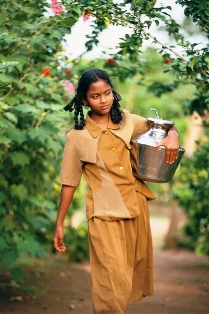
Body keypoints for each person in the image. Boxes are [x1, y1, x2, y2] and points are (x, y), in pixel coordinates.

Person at [53, 68, 179, 314]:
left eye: (107, 93)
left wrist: (172, 136)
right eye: (95, 96)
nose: (104, 100)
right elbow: (69, 181)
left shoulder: (128, 120)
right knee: (110, 280)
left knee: (127, 276)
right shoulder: (76, 137)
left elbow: (165, 126)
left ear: (113, 92)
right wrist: (59, 223)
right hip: (103, 215)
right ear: (83, 100)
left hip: (136, 208)